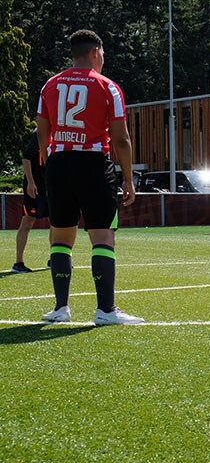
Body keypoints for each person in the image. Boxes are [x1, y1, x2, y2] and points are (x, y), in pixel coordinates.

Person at [36, 29, 143, 325]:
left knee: (60, 237)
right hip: (94, 164)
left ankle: (61, 308)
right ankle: (106, 310)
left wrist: (50, 162)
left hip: (59, 164)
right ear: (96, 52)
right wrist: (128, 178)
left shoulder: (50, 86)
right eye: (104, 54)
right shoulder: (108, 87)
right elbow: (121, 139)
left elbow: (42, 131)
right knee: (103, 237)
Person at [11, 130, 51, 273]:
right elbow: (26, 158)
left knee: (57, 223)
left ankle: (55, 259)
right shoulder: (39, 135)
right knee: (27, 222)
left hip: (50, 188)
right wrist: (30, 182)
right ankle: (18, 262)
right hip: (35, 188)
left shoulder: (58, 135)